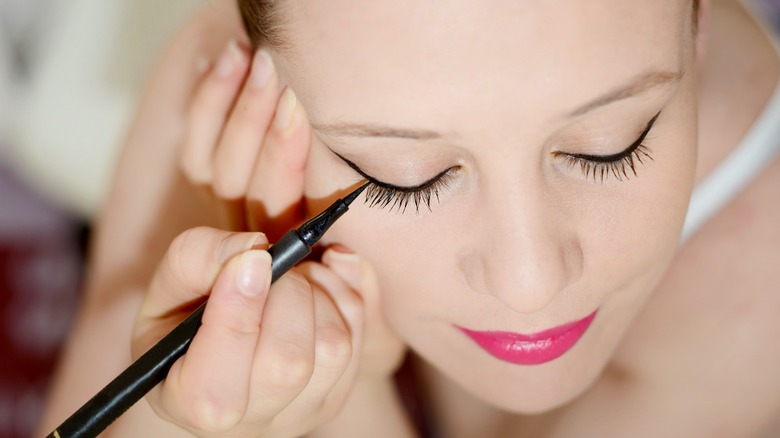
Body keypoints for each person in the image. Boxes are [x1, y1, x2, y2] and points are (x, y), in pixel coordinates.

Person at [37, 0, 780, 436]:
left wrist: (343, 399)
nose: (529, 283)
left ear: (698, 24)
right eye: (405, 177)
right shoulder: (238, 95)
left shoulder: (759, 269)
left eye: (609, 146)